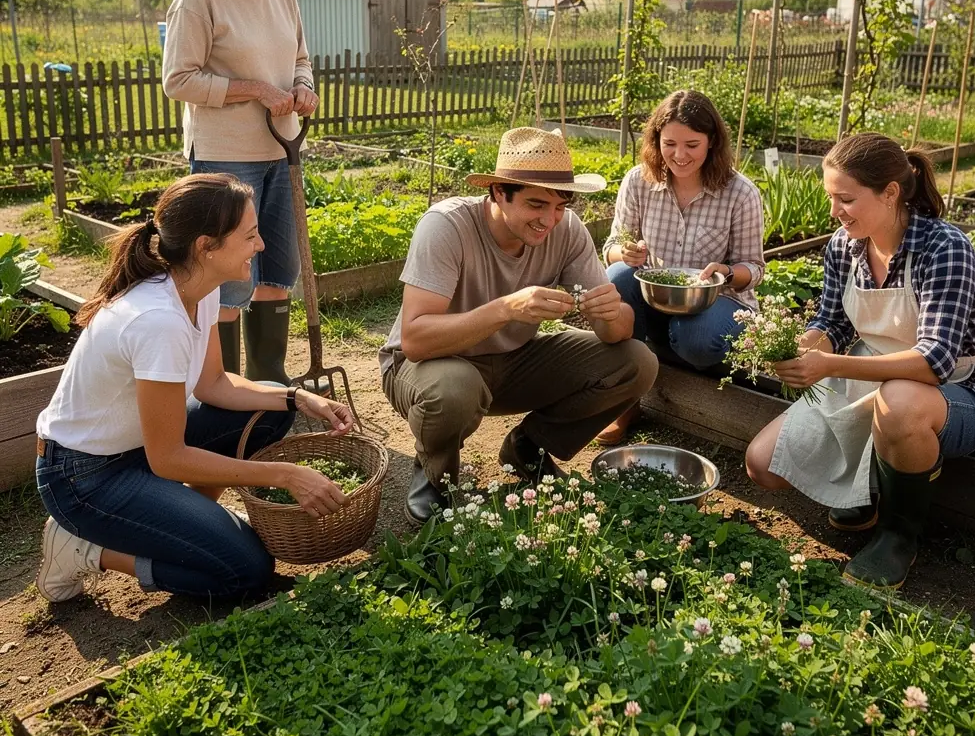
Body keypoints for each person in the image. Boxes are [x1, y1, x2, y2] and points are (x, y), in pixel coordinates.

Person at [34, 174, 356, 603]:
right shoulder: (156, 320)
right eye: (250, 236)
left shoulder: (199, 290)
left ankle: (194, 520)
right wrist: (286, 474)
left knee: (273, 407)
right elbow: (168, 458)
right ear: (206, 246)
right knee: (246, 571)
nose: (260, 246)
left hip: (138, 450)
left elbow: (214, 385)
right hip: (84, 476)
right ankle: (85, 550)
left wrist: (297, 396)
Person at [745, 133, 975, 589]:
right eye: (831, 198)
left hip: (955, 394)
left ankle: (897, 536)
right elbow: (834, 322)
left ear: (890, 193)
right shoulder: (846, 246)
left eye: (846, 199)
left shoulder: (944, 248)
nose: (834, 212)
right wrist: (809, 345)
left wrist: (833, 367)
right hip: (871, 379)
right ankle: (865, 492)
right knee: (763, 463)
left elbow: (935, 361)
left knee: (900, 403)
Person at [379, 127, 660, 526]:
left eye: (561, 205)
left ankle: (529, 448)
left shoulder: (566, 230)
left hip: (511, 361)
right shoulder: (446, 226)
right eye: (536, 204)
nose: (549, 219)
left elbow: (619, 335)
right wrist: (506, 309)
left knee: (637, 361)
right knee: (454, 388)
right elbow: (416, 340)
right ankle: (435, 475)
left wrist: (611, 312)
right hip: (426, 367)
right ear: (498, 192)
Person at [163, 0, 318, 384]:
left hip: (282, 149)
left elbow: (300, 58)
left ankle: (270, 381)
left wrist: (302, 87)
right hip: (227, 160)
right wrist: (252, 89)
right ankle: (222, 389)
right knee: (228, 280)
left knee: (277, 273)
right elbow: (178, 80)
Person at [599, 89, 765, 444]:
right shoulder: (638, 182)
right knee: (617, 278)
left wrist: (727, 274)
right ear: (656, 140)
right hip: (656, 297)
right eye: (669, 143)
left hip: (717, 303)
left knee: (697, 337)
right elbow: (611, 247)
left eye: (692, 144)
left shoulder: (740, 193)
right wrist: (624, 253)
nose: (679, 155)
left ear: (711, 142)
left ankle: (673, 352)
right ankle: (626, 402)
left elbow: (755, 269)